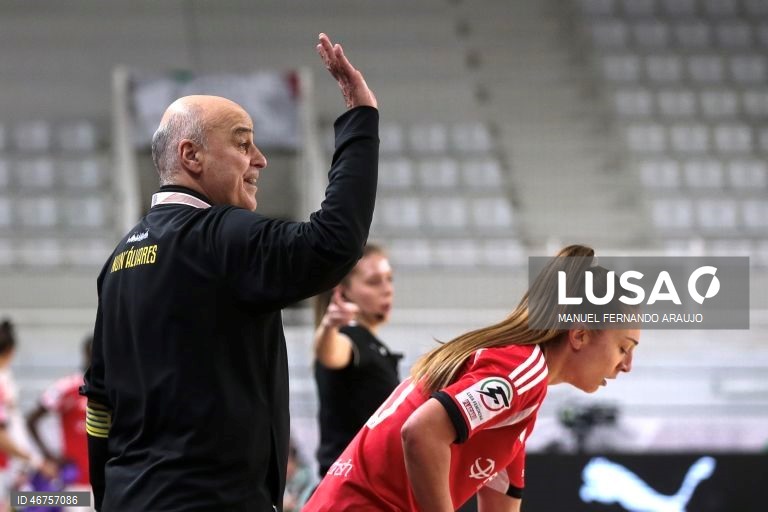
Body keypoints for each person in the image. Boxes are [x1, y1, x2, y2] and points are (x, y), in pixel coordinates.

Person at [80, 32, 378, 512]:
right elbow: (334, 244)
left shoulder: (118, 261)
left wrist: (107, 498)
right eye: (243, 144)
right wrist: (360, 123)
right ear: (190, 156)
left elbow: (99, 407)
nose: (259, 159)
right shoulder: (221, 236)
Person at [304, 245, 640, 512]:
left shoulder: (522, 390)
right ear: (579, 335)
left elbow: (502, 496)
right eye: (624, 347)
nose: (627, 366)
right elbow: (421, 432)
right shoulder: (521, 371)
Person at [313, 243, 400, 478]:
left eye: (389, 279)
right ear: (343, 291)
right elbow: (330, 354)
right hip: (347, 490)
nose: (387, 289)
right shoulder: (349, 338)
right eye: (374, 282)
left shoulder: (372, 344)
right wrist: (330, 326)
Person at [26, 336, 92, 511]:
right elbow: (32, 419)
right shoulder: (69, 387)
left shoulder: (115, 389)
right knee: (23, 501)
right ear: (87, 354)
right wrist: (49, 455)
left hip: (107, 481)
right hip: (75, 483)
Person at [0, 320, 56, 512]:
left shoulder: (6, 378)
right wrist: (36, 461)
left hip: (13, 466)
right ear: (10, 351)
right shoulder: (1, 381)